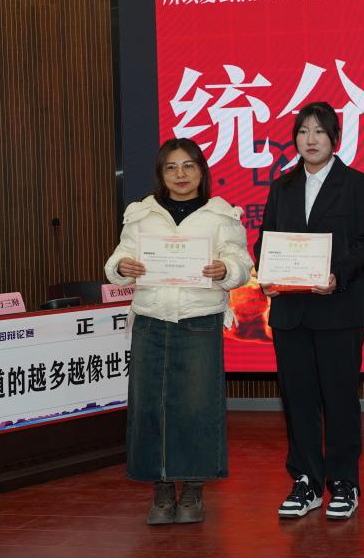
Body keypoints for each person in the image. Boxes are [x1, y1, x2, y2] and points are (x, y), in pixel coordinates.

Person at [105, 138, 252, 525]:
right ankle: (161, 489)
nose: (180, 174)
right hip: (151, 320)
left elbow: (241, 261)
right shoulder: (141, 214)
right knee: (149, 407)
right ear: (161, 173)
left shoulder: (220, 215)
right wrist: (123, 267)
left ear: (201, 171)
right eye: (171, 167)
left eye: (188, 166)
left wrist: (226, 269)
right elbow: (118, 258)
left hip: (199, 320)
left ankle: (192, 488)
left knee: (197, 408)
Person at [254, 102, 364, 521]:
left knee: (340, 399)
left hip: (338, 309)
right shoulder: (282, 186)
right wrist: (267, 274)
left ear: (335, 139)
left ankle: (343, 481)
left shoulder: (357, 184)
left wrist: (336, 275)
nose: (310, 139)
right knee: (298, 399)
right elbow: (266, 239)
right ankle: (306, 479)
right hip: (290, 311)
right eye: (303, 131)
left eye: (319, 132)